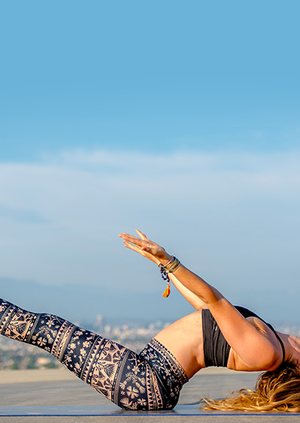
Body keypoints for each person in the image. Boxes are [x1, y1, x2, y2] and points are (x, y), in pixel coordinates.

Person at [1, 230, 300, 412]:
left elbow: (216, 301)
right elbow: (205, 308)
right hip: (146, 378)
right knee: (47, 328)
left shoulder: (267, 353)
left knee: (47, 330)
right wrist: (163, 265)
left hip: (146, 382)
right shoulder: (270, 338)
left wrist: (171, 260)